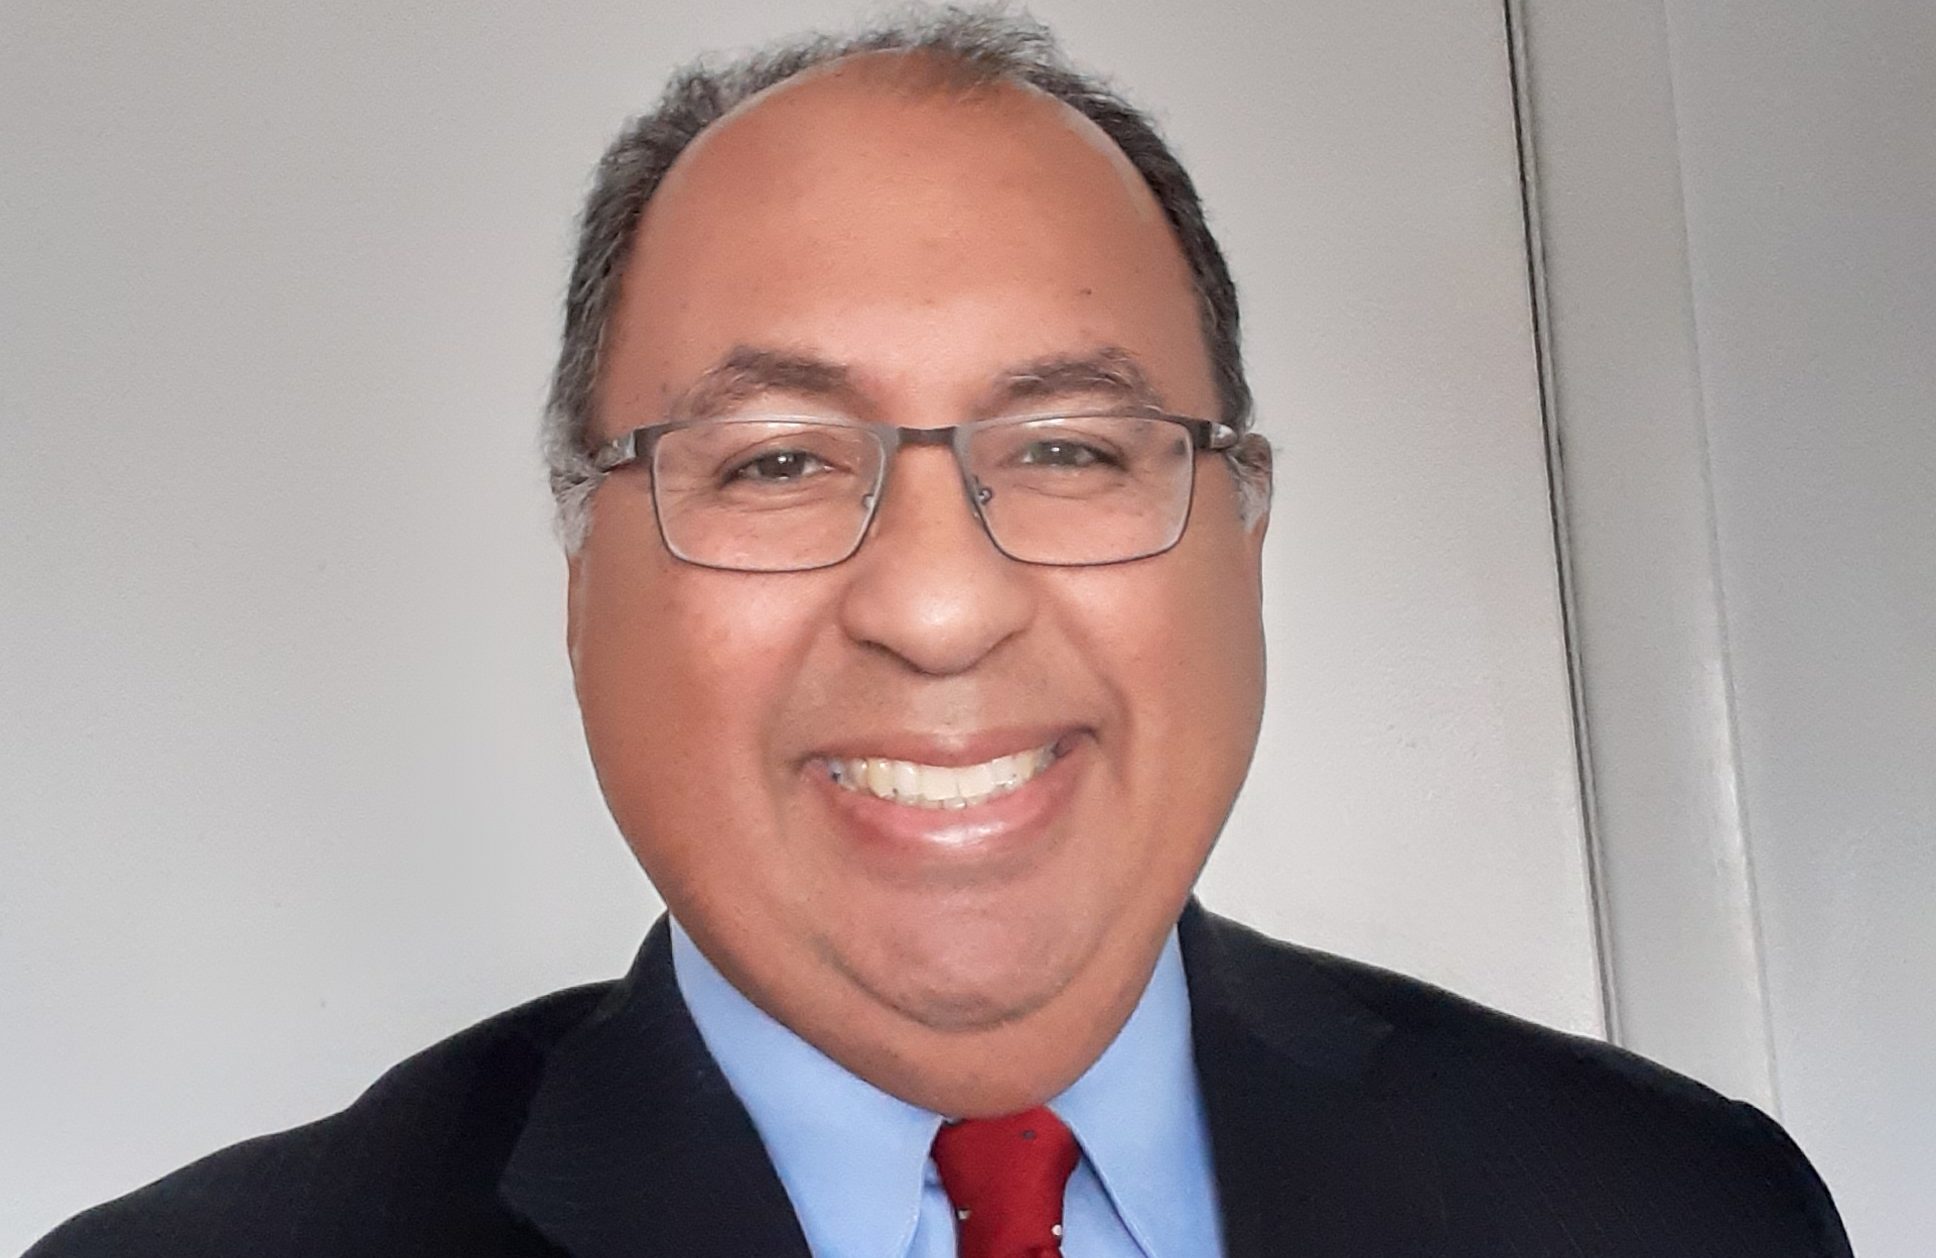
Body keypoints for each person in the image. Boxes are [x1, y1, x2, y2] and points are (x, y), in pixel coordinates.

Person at [30, 9, 1850, 1258]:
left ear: (1246, 538)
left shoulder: (1681, 1206)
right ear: (583, 582)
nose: (937, 602)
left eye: (1067, 447)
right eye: (775, 461)